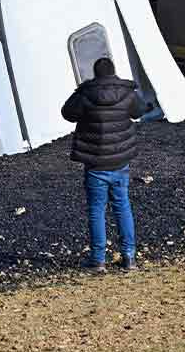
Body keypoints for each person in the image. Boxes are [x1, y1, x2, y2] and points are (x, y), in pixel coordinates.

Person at [61, 56, 149, 272]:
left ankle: (98, 260)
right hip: (120, 162)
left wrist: (80, 96)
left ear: (95, 73)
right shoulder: (127, 93)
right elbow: (138, 112)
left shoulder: (85, 94)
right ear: (113, 72)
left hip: (95, 164)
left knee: (96, 211)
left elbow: (67, 113)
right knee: (122, 207)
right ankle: (129, 258)